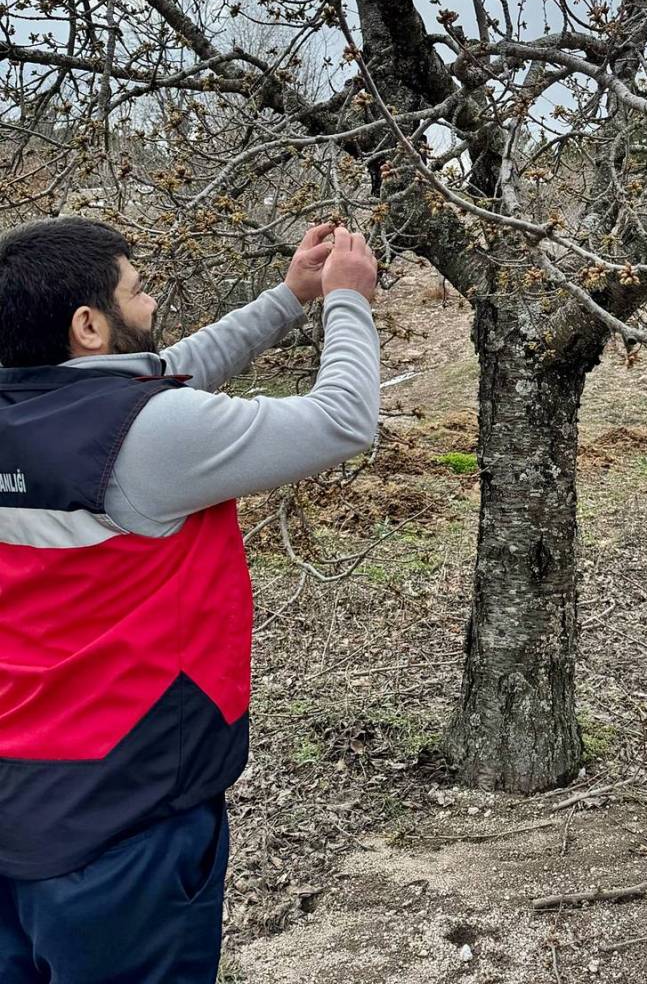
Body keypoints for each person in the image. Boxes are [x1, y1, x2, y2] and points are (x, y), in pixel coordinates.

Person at [0, 216, 380, 984]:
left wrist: (289, 297)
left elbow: (165, 372)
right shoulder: (149, 436)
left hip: (23, 802)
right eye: (136, 290)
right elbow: (343, 420)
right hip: (124, 821)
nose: (151, 302)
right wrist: (348, 301)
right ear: (88, 325)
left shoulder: (26, 410)